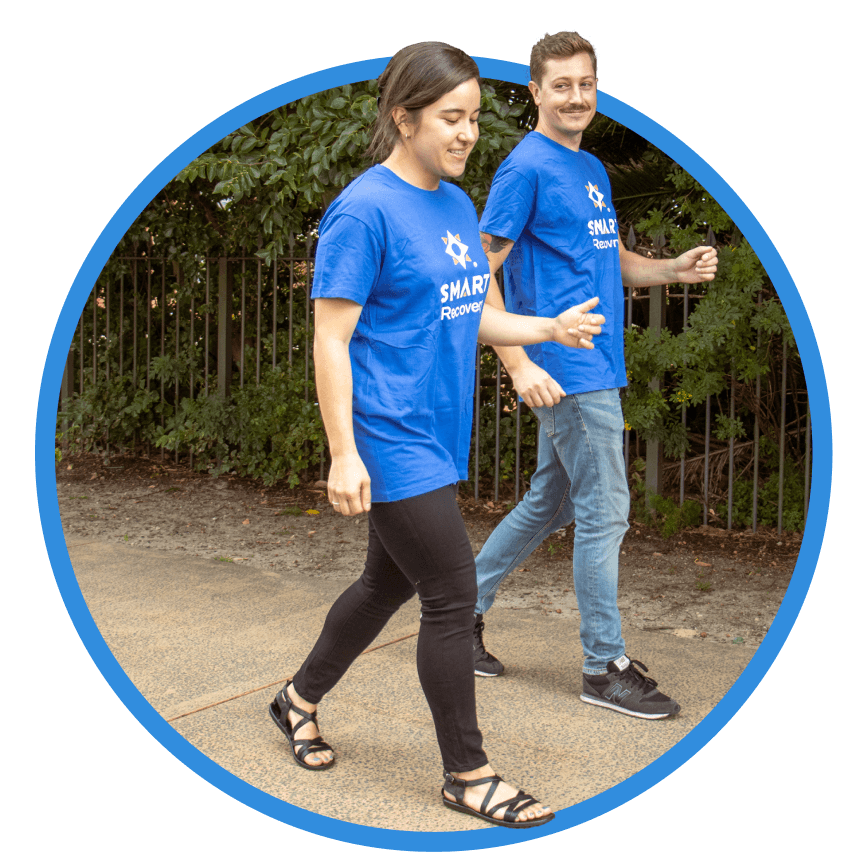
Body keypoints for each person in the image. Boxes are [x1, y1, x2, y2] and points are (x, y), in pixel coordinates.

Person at [268, 42, 606, 828]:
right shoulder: (365, 209)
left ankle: (296, 699)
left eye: (476, 118)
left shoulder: (456, 205)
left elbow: (472, 310)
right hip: (387, 433)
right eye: (451, 118)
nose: (466, 134)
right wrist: (345, 451)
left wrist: (545, 328)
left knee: (386, 584)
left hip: (435, 428)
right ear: (404, 117)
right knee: (452, 593)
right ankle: (468, 773)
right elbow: (330, 340)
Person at [471, 31, 719, 720]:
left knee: (549, 504)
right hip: (566, 370)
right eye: (562, 85)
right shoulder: (525, 169)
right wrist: (518, 364)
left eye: (586, 83)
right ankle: (602, 665)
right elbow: (477, 276)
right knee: (605, 512)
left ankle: (457, 612)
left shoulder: (592, 170)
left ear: (595, 88)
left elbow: (608, 263)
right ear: (536, 92)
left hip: (599, 366)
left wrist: (671, 270)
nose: (576, 96)